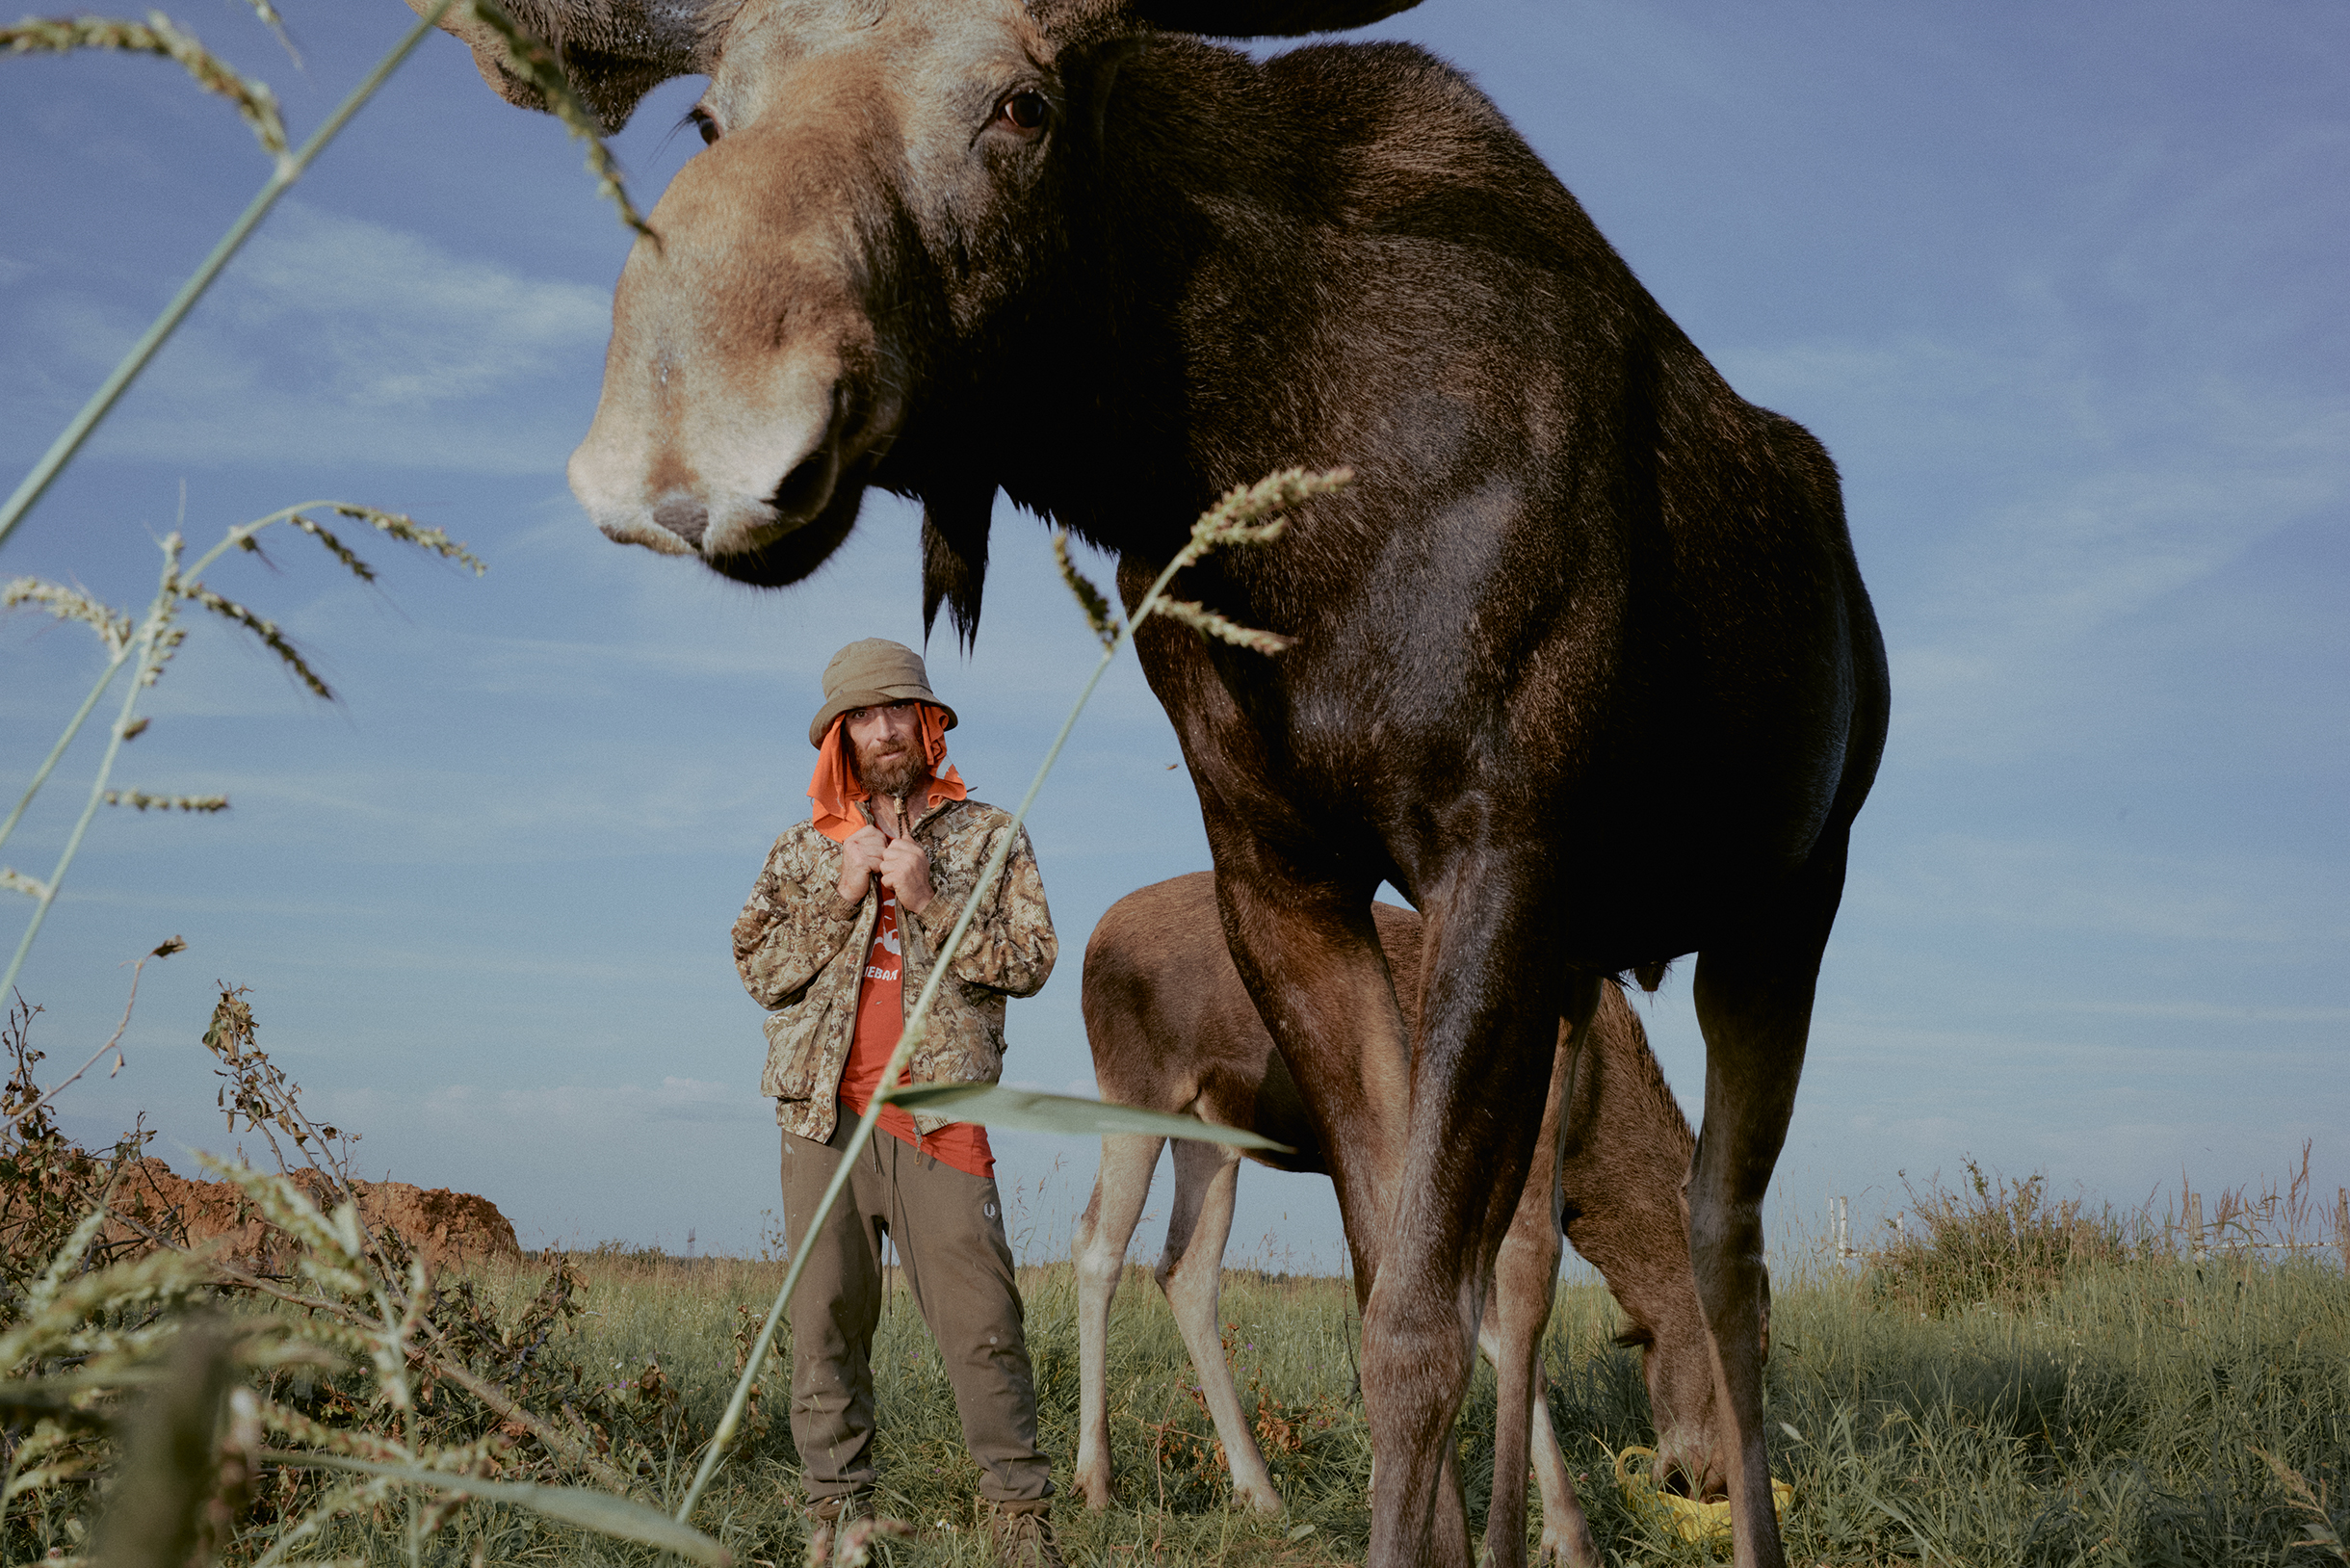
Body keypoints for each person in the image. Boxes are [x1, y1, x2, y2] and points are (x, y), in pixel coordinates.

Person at [732, 639, 1062, 1567]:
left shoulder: (989, 834)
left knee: (984, 1327)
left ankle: (1019, 1521)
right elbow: (757, 969)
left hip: (939, 1118)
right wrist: (843, 894)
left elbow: (1030, 962)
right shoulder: (803, 851)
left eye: (897, 712)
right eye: (863, 717)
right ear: (839, 736)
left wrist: (929, 899)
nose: (883, 731)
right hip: (822, 1122)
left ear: (929, 723)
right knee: (824, 1324)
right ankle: (840, 1521)